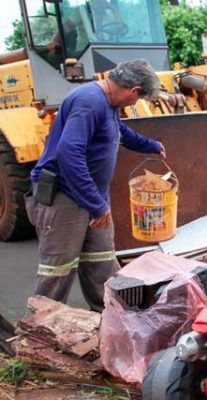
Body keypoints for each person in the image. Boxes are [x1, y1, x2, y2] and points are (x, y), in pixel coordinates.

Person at [26, 59, 166, 312]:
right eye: (137, 99)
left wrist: (151, 146)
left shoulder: (107, 104)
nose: (134, 104)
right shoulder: (89, 101)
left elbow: (117, 131)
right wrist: (96, 204)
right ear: (134, 91)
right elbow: (69, 153)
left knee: (101, 261)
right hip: (65, 196)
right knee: (58, 269)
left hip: (92, 198)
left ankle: (108, 318)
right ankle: (38, 331)